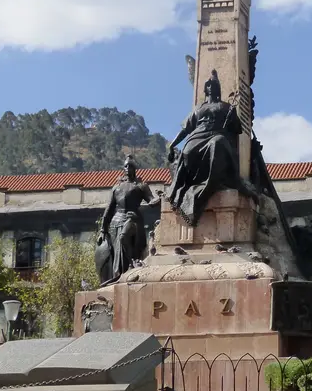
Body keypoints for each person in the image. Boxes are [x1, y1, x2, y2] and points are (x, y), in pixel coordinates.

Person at [166, 70, 255, 224]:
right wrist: (172, 145)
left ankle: (211, 184)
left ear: (217, 88)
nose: (210, 87)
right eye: (208, 85)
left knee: (218, 143)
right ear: (205, 89)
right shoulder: (198, 109)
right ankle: (180, 190)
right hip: (198, 136)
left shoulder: (227, 107)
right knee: (187, 152)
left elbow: (236, 131)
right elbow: (185, 130)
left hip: (218, 136)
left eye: (213, 85)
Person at [96, 156, 160, 285]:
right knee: (115, 252)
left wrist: (161, 198)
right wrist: (103, 229)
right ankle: (118, 276)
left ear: (135, 168)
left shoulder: (141, 186)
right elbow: (109, 209)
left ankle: (131, 266)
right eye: (125, 166)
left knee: (123, 239)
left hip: (133, 219)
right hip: (115, 221)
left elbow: (151, 201)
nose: (127, 168)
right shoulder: (116, 187)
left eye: (130, 166)